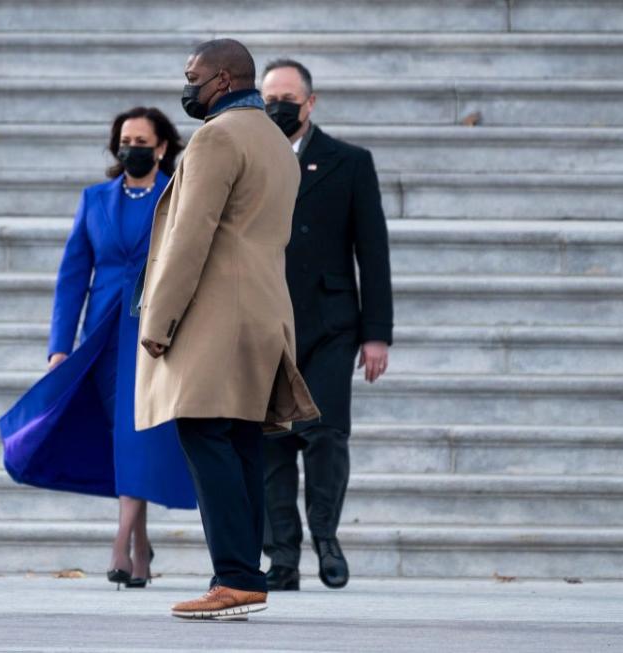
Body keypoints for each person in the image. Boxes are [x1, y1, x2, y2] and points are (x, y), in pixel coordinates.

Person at [134, 39, 320, 621]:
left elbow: (190, 238)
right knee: (239, 442)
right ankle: (244, 575)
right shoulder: (274, 141)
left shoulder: (218, 137)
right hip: (263, 311)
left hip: (215, 316)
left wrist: (159, 321)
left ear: (221, 78)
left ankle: (235, 576)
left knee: (204, 435)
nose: (186, 85)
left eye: (192, 76)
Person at [0, 107, 196, 590]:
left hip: (154, 335)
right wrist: (58, 348)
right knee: (125, 440)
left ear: (162, 146)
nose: (133, 147)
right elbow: (71, 278)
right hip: (102, 338)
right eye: (125, 139)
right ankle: (142, 548)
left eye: (142, 139)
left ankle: (122, 543)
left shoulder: (180, 194)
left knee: (137, 435)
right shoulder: (94, 200)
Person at [260, 59, 393, 591]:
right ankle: (282, 558)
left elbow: (373, 251)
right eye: (269, 96)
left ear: (310, 103)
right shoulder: (248, 160)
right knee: (270, 443)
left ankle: (326, 539)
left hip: (331, 324)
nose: (279, 106)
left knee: (326, 436)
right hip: (265, 320)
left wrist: (376, 332)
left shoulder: (349, 162)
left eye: (289, 97)